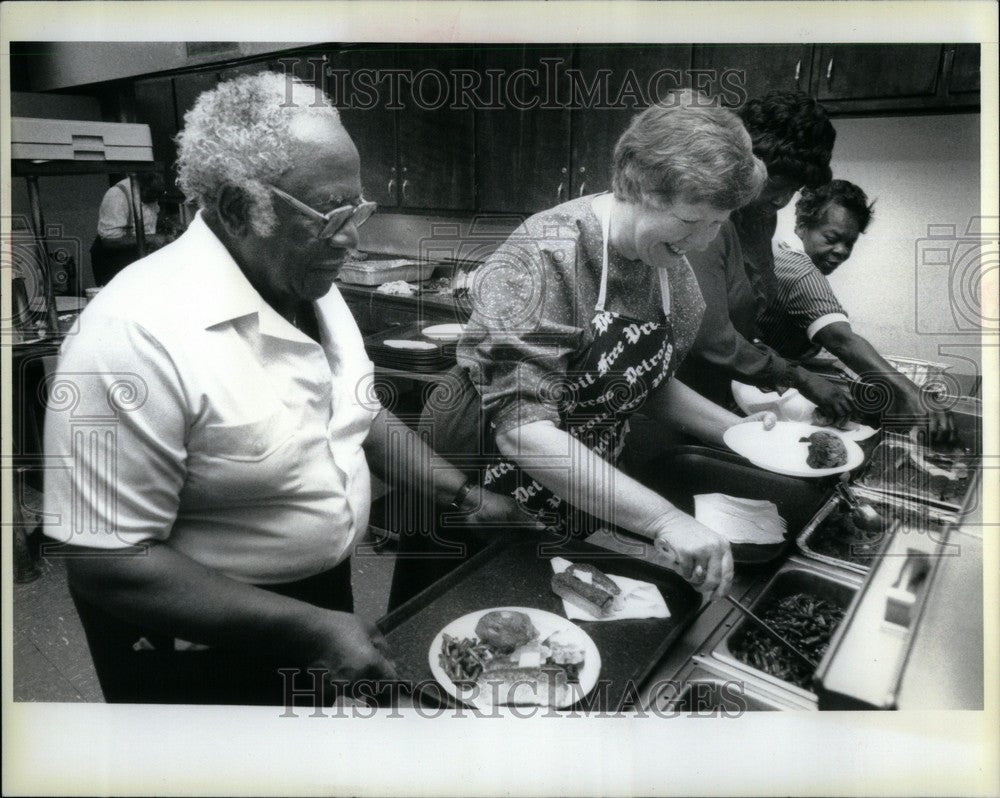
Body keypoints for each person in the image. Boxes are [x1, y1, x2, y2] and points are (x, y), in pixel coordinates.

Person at [43, 72, 523, 706]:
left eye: (358, 208)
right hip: (194, 635)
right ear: (242, 208)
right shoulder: (130, 338)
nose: (352, 238)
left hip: (320, 593)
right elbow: (107, 563)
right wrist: (311, 630)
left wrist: (465, 496)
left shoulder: (303, 282)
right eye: (332, 213)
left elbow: (350, 412)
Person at [396, 91, 774, 608]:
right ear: (637, 186)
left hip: (577, 482)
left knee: (550, 622)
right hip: (480, 470)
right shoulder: (548, 254)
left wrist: (743, 435)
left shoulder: (673, 274)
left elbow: (647, 385)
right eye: (691, 222)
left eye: (717, 223)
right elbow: (523, 431)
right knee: (447, 622)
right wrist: (664, 519)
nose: (705, 242)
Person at [677, 91, 853, 423]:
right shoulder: (709, 218)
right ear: (745, 162)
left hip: (719, 391)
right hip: (679, 395)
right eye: (776, 182)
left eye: (795, 188)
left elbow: (745, 316)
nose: (783, 200)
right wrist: (796, 376)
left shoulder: (762, 219)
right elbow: (710, 338)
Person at [758, 179, 955, 442]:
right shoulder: (800, 271)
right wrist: (911, 393)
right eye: (831, 238)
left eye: (849, 243)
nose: (841, 251)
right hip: (759, 394)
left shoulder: (779, 250)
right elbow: (843, 341)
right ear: (802, 226)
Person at [90, 171, 175, 286]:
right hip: (112, 259)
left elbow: (148, 215)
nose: (156, 199)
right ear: (140, 187)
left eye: (160, 194)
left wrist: (169, 222)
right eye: (153, 194)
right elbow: (109, 241)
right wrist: (151, 239)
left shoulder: (150, 193)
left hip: (133, 254)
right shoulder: (117, 195)